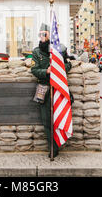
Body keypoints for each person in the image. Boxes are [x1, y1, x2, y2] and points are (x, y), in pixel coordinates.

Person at [31, 23, 72, 159]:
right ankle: (53, 147)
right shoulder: (36, 52)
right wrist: (46, 71)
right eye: (40, 34)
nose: (41, 37)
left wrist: (58, 68)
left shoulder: (59, 49)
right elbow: (34, 70)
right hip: (44, 88)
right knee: (46, 120)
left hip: (58, 88)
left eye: (44, 34)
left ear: (50, 35)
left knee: (59, 118)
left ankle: (60, 142)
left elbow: (68, 64)